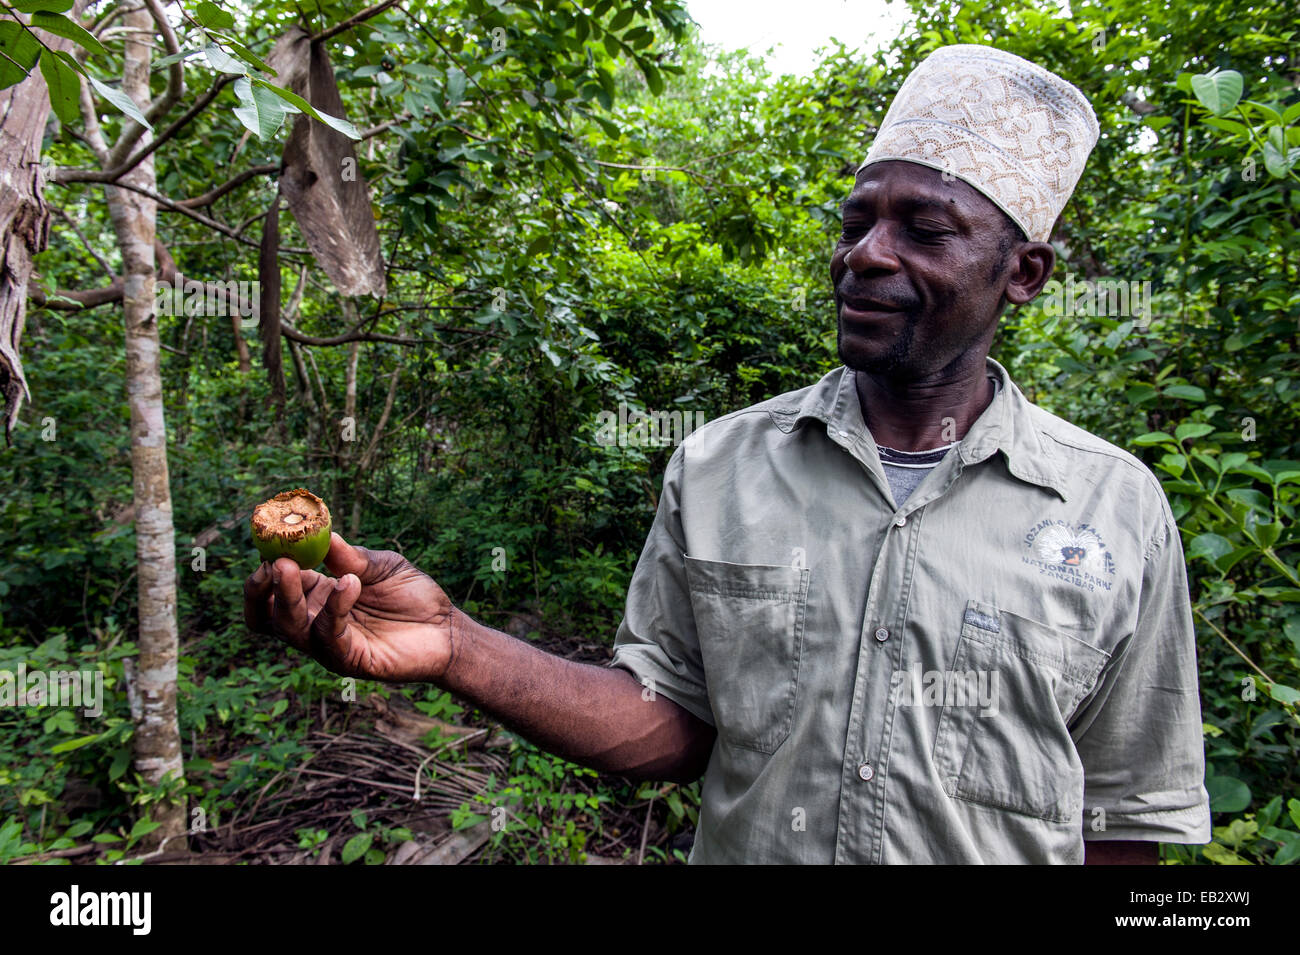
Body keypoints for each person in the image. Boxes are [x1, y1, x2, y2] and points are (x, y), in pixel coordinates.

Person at [244, 44, 1211, 864]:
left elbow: (1124, 815)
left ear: (1024, 273)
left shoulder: (1111, 509)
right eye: (856, 222)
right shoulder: (719, 468)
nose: (866, 254)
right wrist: (456, 646)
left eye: (924, 229)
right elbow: (671, 719)